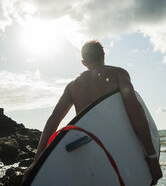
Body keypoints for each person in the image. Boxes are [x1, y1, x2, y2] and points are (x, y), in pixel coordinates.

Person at [23, 40, 162, 185]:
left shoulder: (72, 86)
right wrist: (151, 157)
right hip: (117, 151)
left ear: (83, 62)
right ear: (103, 55)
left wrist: (36, 162)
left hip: (87, 154)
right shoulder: (119, 73)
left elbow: (54, 118)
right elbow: (135, 110)